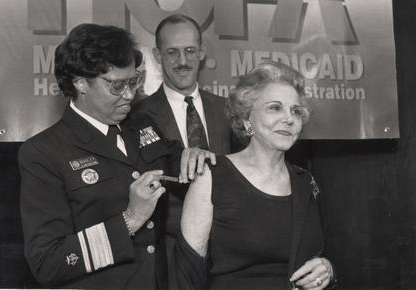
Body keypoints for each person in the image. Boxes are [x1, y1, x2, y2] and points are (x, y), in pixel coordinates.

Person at [18, 23, 214, 289]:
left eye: (133, 81)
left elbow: (180, 162)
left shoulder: (143, 124)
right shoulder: (43, 153)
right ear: (80, 83)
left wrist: (194, 156)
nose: (130, 95)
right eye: (117, 86)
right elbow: (47, 262)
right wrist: (130, 220)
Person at [172, 61, 336, 290]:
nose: (289, 118)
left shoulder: (305, 182)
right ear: (246, 118)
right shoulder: (212, 176)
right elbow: (186, 275)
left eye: (295, 111)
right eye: (275, 108)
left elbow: (316, 255)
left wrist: (326, 269)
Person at [132, 14, 237, 252]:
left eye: (190, 50)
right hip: (169, 253)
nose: (183, 61)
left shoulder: (229, 110)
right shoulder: (135, 118)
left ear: (202, 52)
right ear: (157, 56)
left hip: (229, 248)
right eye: (172, 52)